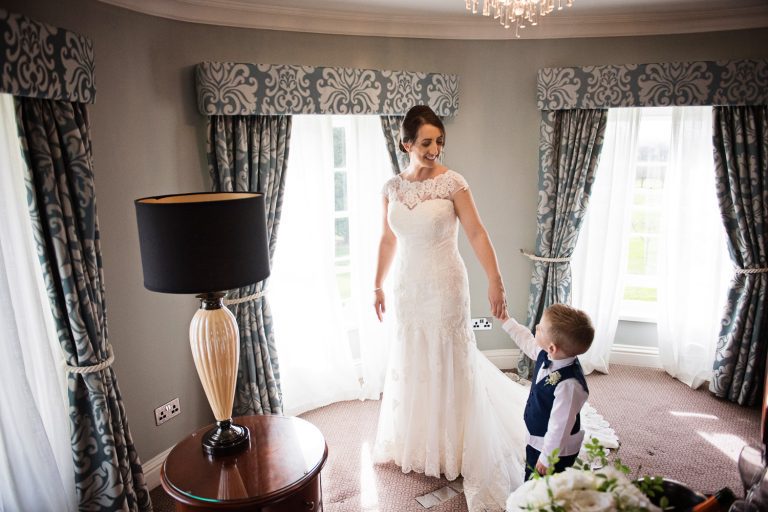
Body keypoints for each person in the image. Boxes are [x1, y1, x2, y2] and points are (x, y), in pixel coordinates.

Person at [371, 104, 530, 511]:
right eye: (426, 142)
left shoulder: (453, 183)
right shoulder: (391, 187)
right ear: (406, 143)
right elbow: (388, 240)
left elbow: (476, 232)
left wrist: (496, 280)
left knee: (447, 356)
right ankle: (420, 440)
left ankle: (457, 445)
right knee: (414, 357)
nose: (435, 149)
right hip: (409, 287)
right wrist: (377, 284)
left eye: (439, 141)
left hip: (445, 285)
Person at [500, 303, 594, 480]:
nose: (536, 327)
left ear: (552, 348)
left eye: (540, 329)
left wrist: (547, 457)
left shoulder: (569, 385)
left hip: (554, 451)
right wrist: (506, 320)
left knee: (544, 485)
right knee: (531, 473)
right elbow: (527, 340)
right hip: (537, 438)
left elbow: (560, 426)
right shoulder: (548, 353)